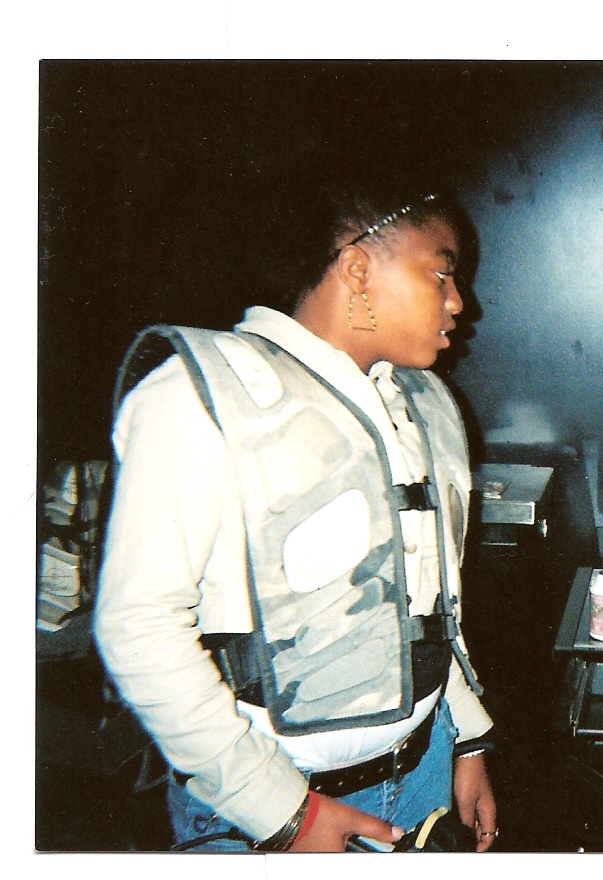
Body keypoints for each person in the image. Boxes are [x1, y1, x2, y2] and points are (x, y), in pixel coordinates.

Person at [93, 178, 500, 852]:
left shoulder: (418, 404)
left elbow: (426, 611)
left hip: (425, 771)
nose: (459, 301)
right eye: (442, 274)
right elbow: (138, 629)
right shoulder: (198, 397)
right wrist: (283, 813)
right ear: (358, 268)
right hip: (269, 806)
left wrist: (466, 736)